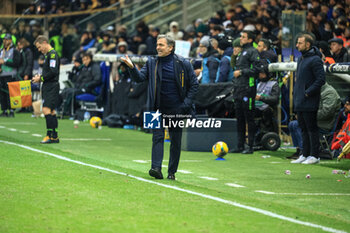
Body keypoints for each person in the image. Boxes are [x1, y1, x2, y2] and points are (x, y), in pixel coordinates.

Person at [121, 34, 198, 180]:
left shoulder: (183, 63)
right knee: (157, 137)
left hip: (177, 109)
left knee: (175, 141)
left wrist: (185, 105)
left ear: (170, 47)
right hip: (155, 108)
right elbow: (139, 79)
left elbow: (194, 85)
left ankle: (172, 172)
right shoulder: (151, 62)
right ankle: (156, 168)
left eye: (161, 45)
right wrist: (131, 67)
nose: (158, 47)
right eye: (157, 45)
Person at [291, 34, 325, 164]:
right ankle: (304, 154)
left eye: (300, 43)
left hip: (309, 100)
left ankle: (315, 155)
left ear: (308, 44)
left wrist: (308, 92)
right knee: (303, 128)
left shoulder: (315, 60)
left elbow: (321, 79)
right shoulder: (301, 59)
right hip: (300, 99)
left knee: (311, 128)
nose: (297, 45)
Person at [232, 31, 260, 154]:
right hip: (238, 89)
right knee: (239, 118)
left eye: (243, 37)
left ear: (249, 40)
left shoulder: (252, 51)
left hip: (248, 89)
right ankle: (240, 145)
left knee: (249, 118)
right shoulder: (241, 53)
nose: (241, 38)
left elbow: (257, 69)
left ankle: (251, 146)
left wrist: (242, 72)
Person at [32, 35, 60, 144]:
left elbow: (53, 72)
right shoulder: (49, 55)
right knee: (51, 111)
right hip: (49, 85)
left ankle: (49, 135)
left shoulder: (52, 55)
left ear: (44, 42)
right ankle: (54, 136)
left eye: (39, 47)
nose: (39, 50)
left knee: (46, 110)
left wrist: (41, 78)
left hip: (51, 85)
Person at [0, 33, 21, 117]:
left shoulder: (15, 50)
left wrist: (5, 62)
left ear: (11, 41)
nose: (5, 41)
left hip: (11, 74)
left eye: (7, 39)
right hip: (2, 75)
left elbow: (17, 63)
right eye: (4, 40)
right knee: (2, 94)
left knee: (11, 94)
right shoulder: (1, 50)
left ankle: (12, 110)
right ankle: (4, 110)